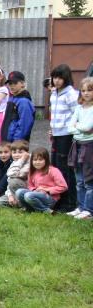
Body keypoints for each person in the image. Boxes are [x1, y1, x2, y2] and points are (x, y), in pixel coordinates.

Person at [49, 64, 79, 212]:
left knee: (65, 169)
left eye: (60, 78)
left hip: (66, 136)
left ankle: (70, 202)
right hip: (56, 134)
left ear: (66, 78)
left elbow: (76, 114)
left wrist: (71, 131)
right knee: (55, 168)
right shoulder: (54, 93)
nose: (57, 81)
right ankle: (59, 199)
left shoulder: (71, 94)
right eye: (55, 77)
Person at [66, 76, 93, 220]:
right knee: (79, 181)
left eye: (90, 90)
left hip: (90, 147)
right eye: (83, 90)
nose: (86, 93)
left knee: (89, 181)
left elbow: (89, 127)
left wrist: (79, 127)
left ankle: (89, 210)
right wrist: (80, 129)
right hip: (77, 145)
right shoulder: (78, 108)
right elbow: (70, 127)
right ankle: (81, 207)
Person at [15, 147, 68, 213]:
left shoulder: (53, 170)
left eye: (40, 160)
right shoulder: (32, 171)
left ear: (46, 160)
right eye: (35, 160)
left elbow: (63, 187)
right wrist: (34, 190)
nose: (37, 162)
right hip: (36, 195)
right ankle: (29, 209)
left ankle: (47, 211)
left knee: (28, 195)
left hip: (50, 198)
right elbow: (30, 186)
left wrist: (47, 190)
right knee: (19, 192)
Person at [0, 140, 30, 207]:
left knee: (14, 181)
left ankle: (23, 204)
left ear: (27, 153)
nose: (17, 155)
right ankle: (15, 202)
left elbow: (13, 174)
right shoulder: (14, 163)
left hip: (26, 192)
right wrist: (10, 196)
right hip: (14, 193)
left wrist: (22, 160)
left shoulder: (29, 163)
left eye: (20, 152)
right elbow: (9, 181)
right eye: (14, 152)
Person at [0, 71, 35, 143]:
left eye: (15, 83)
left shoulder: (24, 102)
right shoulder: (12, 99)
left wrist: (16, 141)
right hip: (7, 141)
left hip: (16, 144)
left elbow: (24, 124)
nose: (12, 86)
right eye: (10, 83)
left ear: (22, 84)